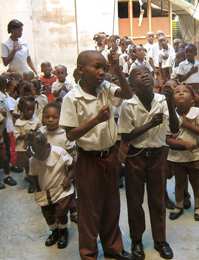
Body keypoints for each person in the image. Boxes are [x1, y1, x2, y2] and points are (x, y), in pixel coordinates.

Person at [60, 49, 133, 260]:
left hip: (110, 156)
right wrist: (96, 120)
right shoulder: (72, 98)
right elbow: (71, 134)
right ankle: (89, 253)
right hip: (89, 160)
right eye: (96, 67)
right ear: (81, 70)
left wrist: (117, 69)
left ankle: (113, 247)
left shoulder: (106, 88)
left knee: (112, 205)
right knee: (89, 210)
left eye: (104, 67)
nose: (102, 72)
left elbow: (128, 95)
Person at [119, 65, 179, 260]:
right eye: (138, 74)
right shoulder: (128, 105)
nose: (144, 75)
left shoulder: (162, 100)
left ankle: (160, 240)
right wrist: (151, 124)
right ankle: (136, 241)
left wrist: (170, 102)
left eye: (147, 72)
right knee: (135, 201)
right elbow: (127, 136)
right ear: (131, 84)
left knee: (157, 199)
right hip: (135, 156)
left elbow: (175, 128)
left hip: (157, 155)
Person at [166, 84, 199, 221]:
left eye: (185, 91)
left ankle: (198, 206)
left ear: (192, 100)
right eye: (177, 92)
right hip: (177, 156)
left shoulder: (197, 113)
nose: (180, 93)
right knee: (179, 182)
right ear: (173, 100)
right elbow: (168, 140)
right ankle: (178, 206)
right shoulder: (170, 115)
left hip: (195, 155)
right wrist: (184, 144)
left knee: (196, 182)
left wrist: (186, 124)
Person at [27, 130, 74, 248]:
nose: (39, 157)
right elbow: (33, 176)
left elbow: (72, 166)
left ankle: (63, 231)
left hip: (60, 190)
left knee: (61, 213)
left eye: (41, 154)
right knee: (47, 215)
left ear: (47, 146)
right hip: (45, 192)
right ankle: (54, 231)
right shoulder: (34, 160)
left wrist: (68, 178)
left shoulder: (59, 153)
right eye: (35, 153)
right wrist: (38, 190)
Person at [14, 96, 41, 193]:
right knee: (27, 166)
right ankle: (32, 182)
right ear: (21, 109)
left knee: (36, 165)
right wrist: (26, 135)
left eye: (32, 109)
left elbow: (40, 133)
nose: (30, 112)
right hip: (23, 149)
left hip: (35, 148)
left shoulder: (36, 121)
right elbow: (17, 136)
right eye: (27, 110)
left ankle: (38, 181)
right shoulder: (18, 122)